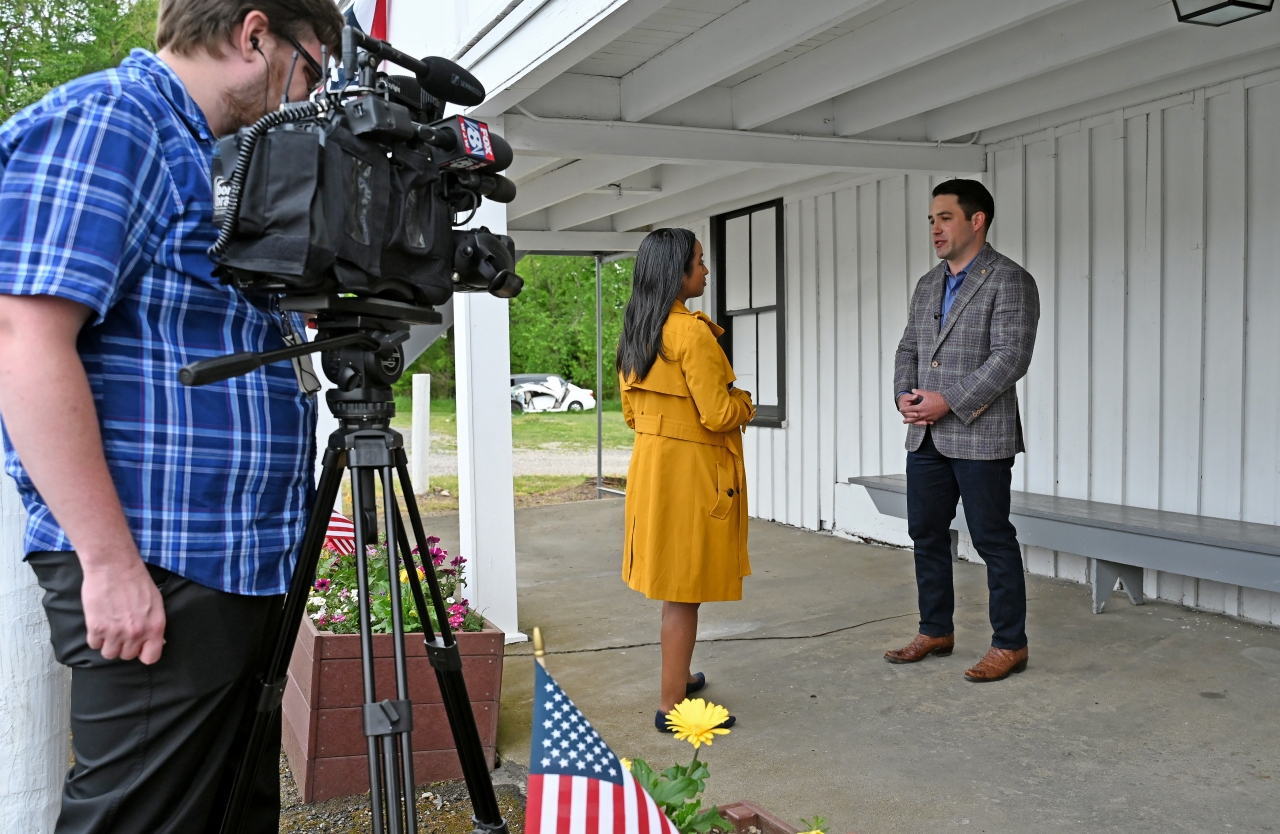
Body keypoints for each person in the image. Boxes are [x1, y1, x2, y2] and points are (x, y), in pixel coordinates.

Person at [0, 1, 344, 831]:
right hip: (159, 561)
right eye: (315, 68)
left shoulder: (207, 155)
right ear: (256, 35)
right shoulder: (111, 118)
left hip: (231, 561)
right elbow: (24, 340)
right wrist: (110, 567)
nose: (312, 94)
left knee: (227, 809)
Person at [886, 179, 1040, 683]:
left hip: (980, 434)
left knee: (992, 538)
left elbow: (1010, 358)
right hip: (925, 435)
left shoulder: (1010, 280)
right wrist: (905, 395)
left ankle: (1009, 644)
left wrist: (947, 400)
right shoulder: (928, 284)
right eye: (931, 219)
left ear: (977, 220)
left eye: (945, 217)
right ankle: (935, 630)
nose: (935, 228)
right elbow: (909, 347)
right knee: (926, 533)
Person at [617, 228, 755, 730]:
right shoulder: (692, 333)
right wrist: (746, 403)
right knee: (683, 592)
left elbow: (632, 414)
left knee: (676, 585)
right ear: (675, 272)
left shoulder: (639, 330)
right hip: (692, 476)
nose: (705, 269)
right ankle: (671, 704)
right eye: (699, 261)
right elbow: (719, 414)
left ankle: (678, 677)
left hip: (653, 471)